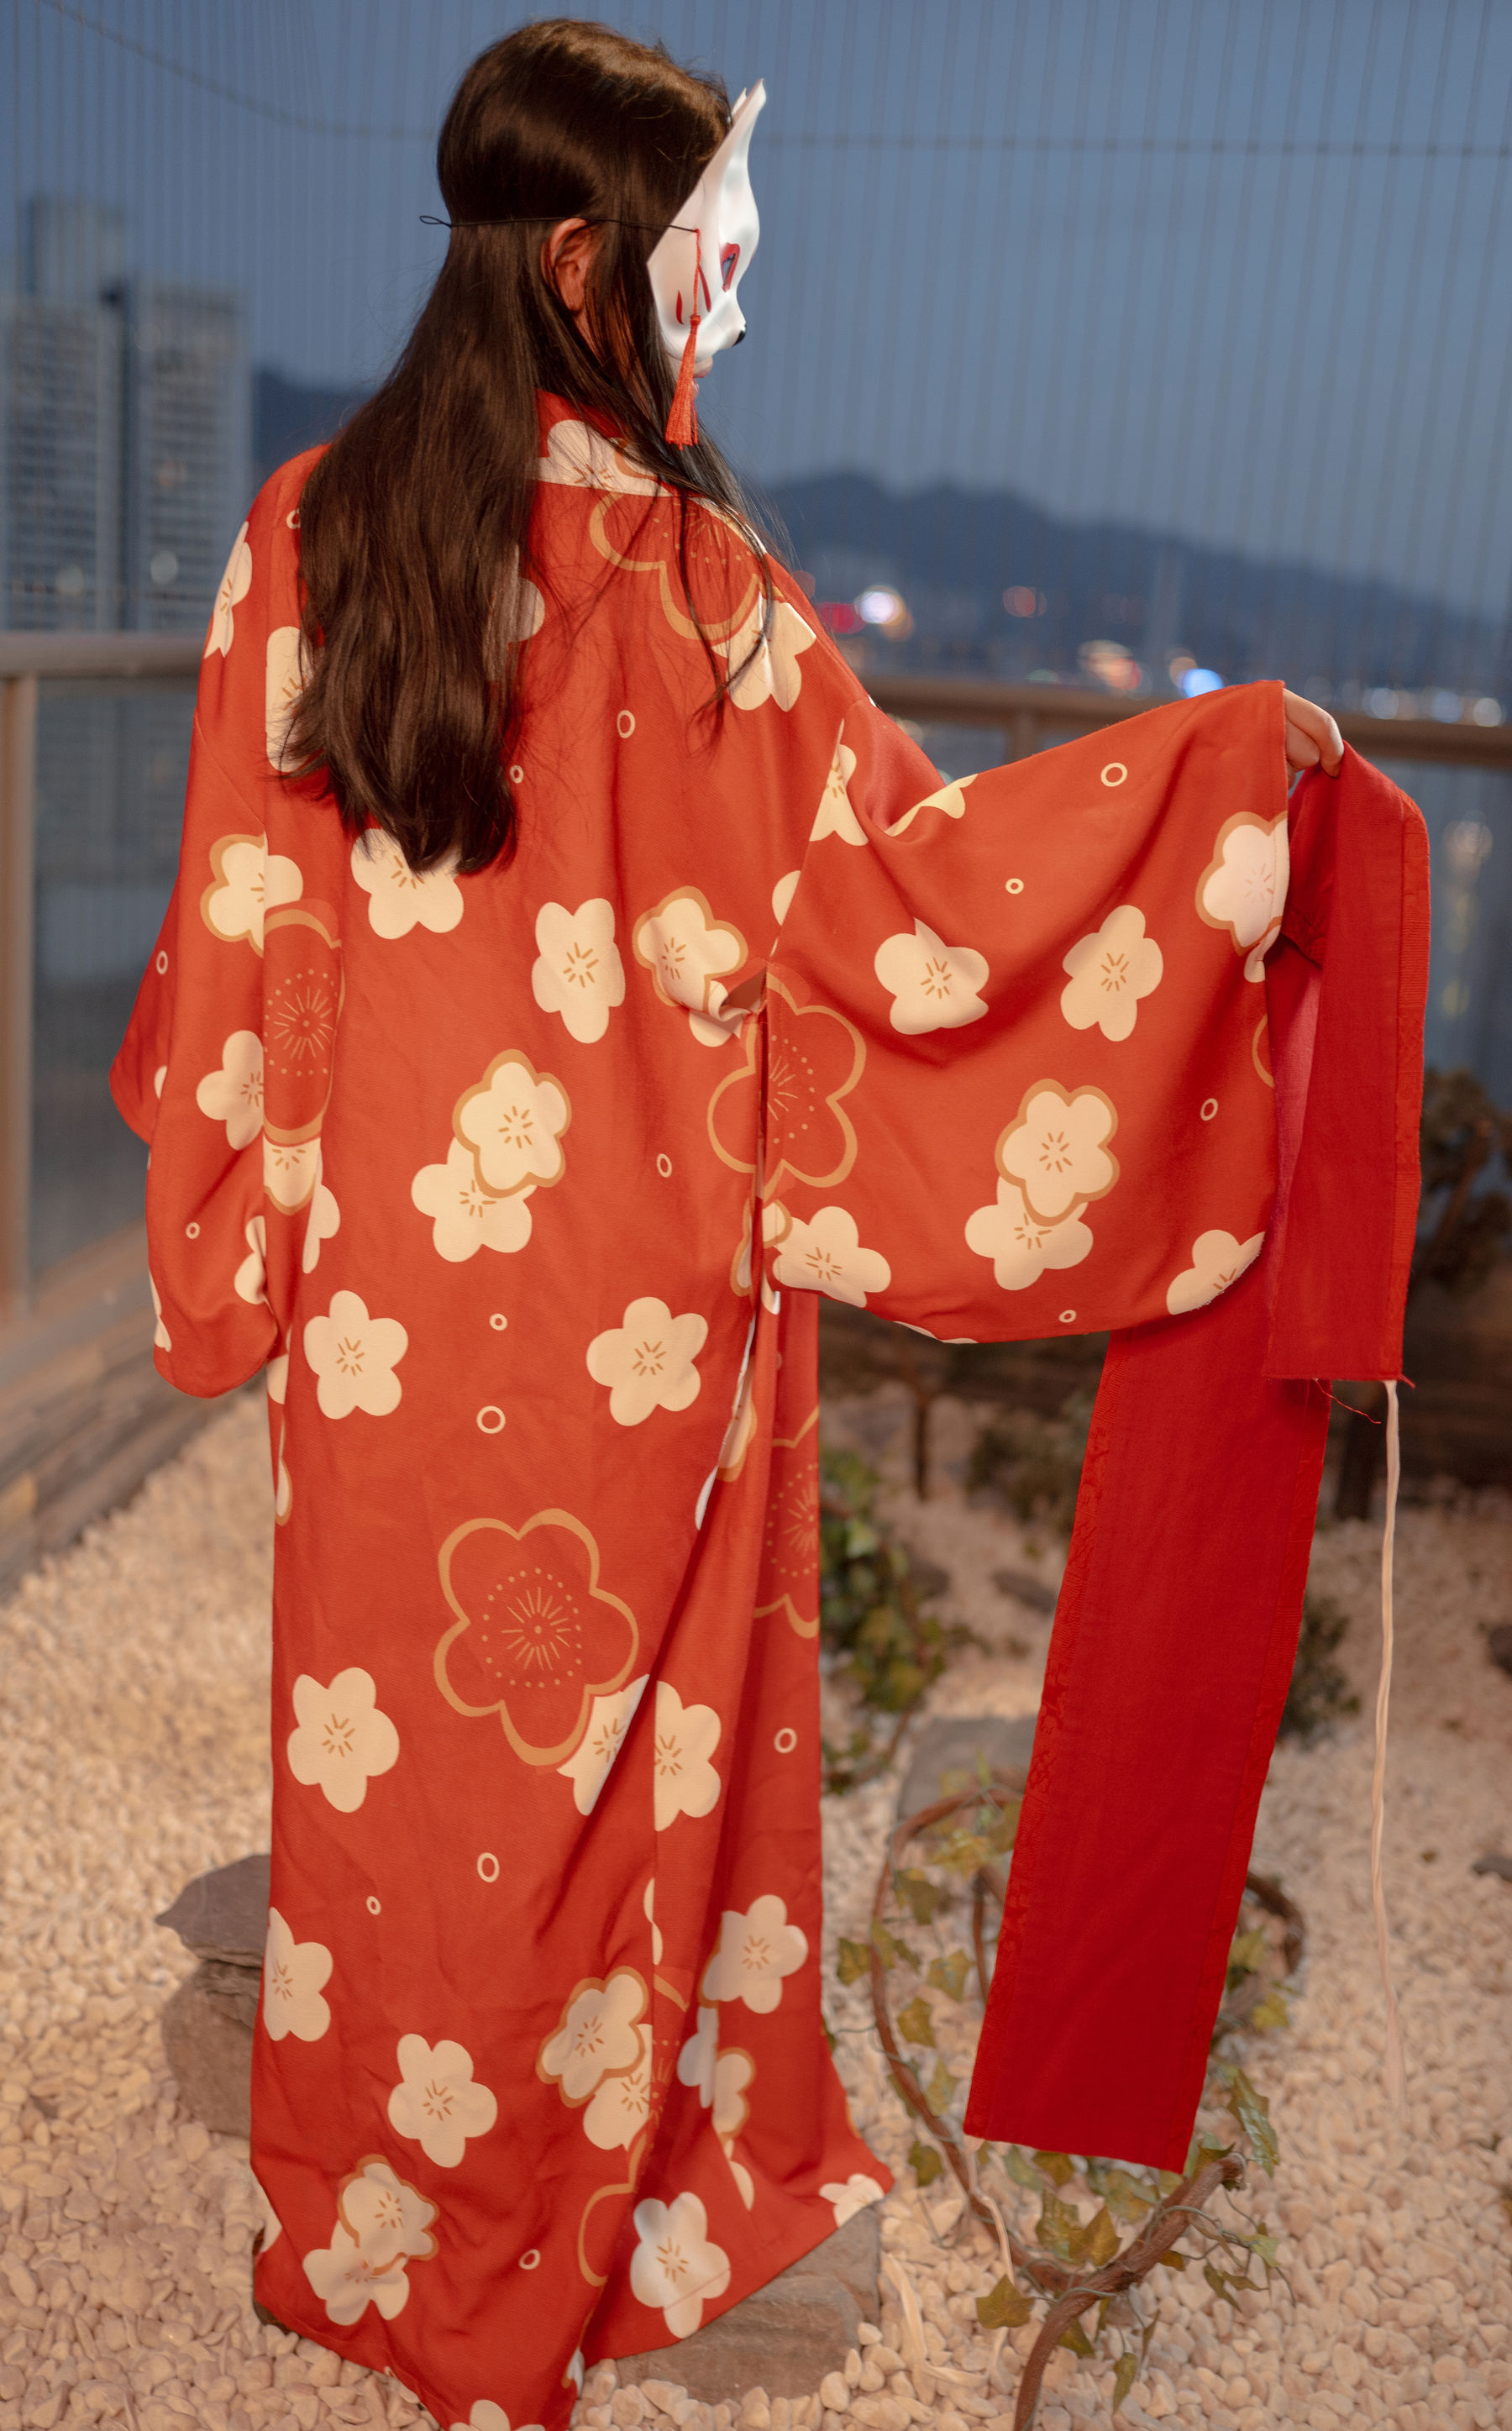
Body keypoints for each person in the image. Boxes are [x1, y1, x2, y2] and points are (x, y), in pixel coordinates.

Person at [113, 18, 1356, 2423]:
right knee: (601, 1770)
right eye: (714, 259)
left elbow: (246, 931)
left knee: (393, 1761)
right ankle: (583, 2195)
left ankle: (380, 2202)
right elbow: (925, 908)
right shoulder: (707, 596)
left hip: (385, 1304)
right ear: (591, 265)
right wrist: (1218, 779)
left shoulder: (304, 534)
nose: (735, 308)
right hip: (643, 1307)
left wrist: (229, 1246)